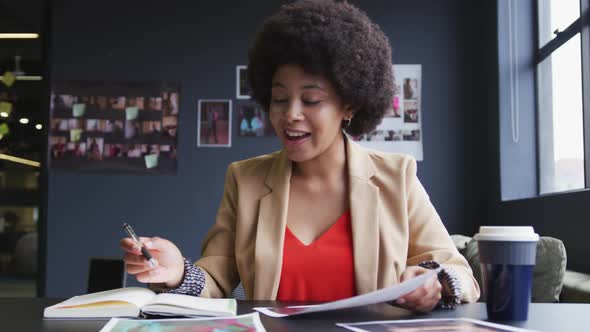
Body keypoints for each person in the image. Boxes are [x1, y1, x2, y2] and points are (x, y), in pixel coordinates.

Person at [121, 0, 479, 313]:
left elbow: (460, 274)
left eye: (311, 100)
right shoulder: (245, 180)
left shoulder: (395, 177)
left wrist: (435, 282)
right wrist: (177, 273)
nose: (290, 114)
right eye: (279, 98)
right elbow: (216, 277)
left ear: (349, 104)